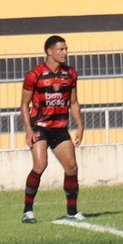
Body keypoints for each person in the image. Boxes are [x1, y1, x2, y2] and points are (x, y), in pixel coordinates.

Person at [20, 36, 85, 223]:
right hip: (39, 127)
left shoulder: (71, 74)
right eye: (61, 49)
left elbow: (73, 102)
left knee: (71, 167)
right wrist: (28, 130)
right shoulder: (35, 75)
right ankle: (28, 211)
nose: (65, 52)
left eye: (66, 49)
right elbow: (24, 105)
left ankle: (72, 212)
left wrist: (80, 126)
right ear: (49, 51)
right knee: (40, 165)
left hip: (59, 128)